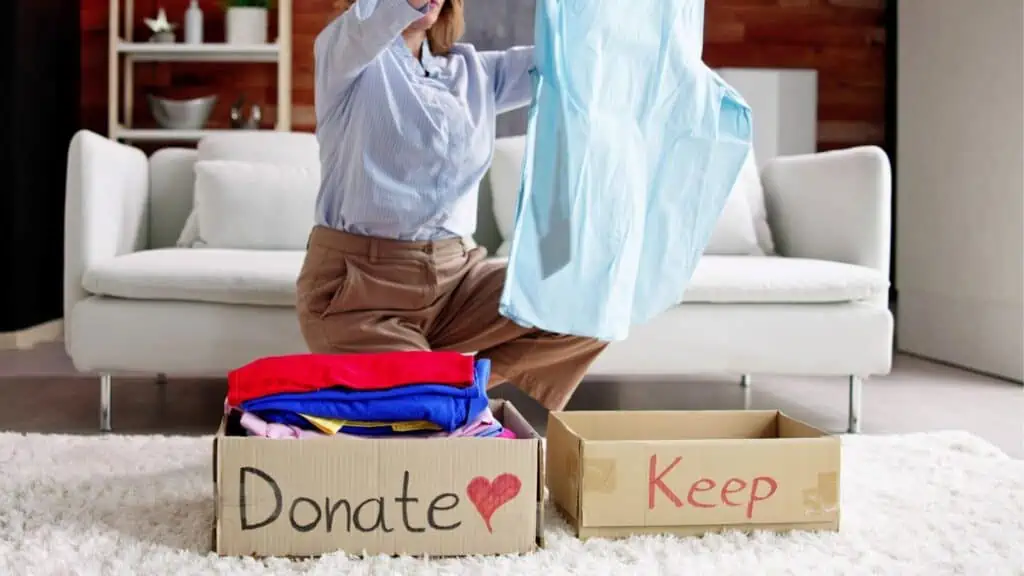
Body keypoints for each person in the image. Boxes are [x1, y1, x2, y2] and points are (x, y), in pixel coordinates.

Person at [296, 0, 608, 411]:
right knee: (428, 414)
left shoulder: (473, 71)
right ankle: (437, 393)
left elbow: (575, 57)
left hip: (457, 280)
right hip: (359, 293)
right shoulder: (345, 54)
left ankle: (452, 390)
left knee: (594, 297)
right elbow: (366, 25)